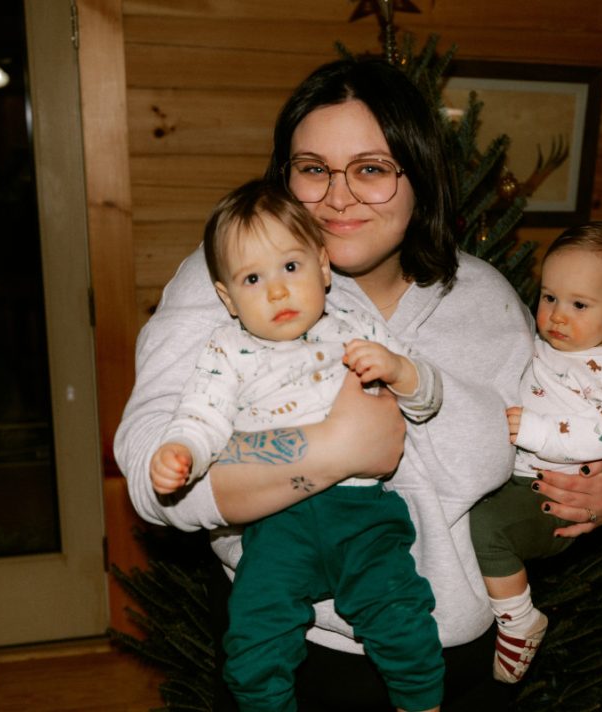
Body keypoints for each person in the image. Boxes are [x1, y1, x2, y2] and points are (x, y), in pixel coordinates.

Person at [114, 56, 602, 711]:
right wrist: (330, 450)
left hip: (462, 657)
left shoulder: (488, 298)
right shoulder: (237, 279)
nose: (338, 196)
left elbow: (559, 415)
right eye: (312, 168)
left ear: (420, 175)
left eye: (372, 169)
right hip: (299, 653)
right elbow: (152, 478)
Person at [150, 179, 445, 712]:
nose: (277, 291)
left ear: (323, 268)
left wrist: (400, 370)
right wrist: (182, 450)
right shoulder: (228, 349)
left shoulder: (356, 327)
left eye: (291, 266)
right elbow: (202, 414)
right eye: (253, 278)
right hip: (277, 523)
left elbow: (426, 399)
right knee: (254, 635)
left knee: (399, 611)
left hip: (361, 515)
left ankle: (420, 701)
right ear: (227, 298)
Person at [469, 221, 602, 684]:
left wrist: (537, 431)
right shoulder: (540, 345)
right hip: (514, 478)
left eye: (579, 304)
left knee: (484, 528)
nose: (557, 317)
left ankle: (518, 619)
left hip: (549, 493)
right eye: (549, 297)